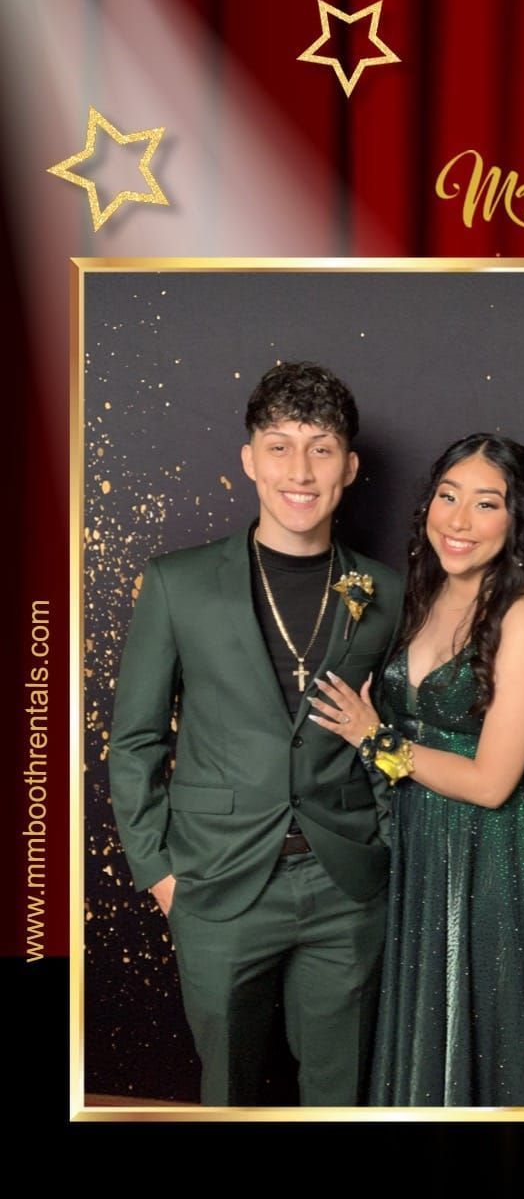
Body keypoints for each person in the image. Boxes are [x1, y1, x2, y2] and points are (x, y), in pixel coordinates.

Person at [108, 362, 401, 1106]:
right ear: (249, 460)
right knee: (230, 1093)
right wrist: (163, 877)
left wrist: (386, 852)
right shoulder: (176, 583)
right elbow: (136, 741)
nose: (299, 470)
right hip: (215, 883)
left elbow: (400, 734)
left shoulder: (390, 592)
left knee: (341, 1097)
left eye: (322, 448)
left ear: (350, 467)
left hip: (345, 885)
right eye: (279, 445)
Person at [308, 434, 524, 1106]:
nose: (459, 521)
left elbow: (493, 782)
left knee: (491, 1041)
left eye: (486, 504)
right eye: (448, 496)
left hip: (495, 856)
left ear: (517, 519)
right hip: (421, 843)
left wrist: (374, 740)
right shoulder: (422, 597)